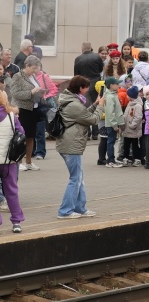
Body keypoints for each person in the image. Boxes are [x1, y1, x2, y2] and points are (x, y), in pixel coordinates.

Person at [56, 76, 100, 218]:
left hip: (69, 143)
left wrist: (95, 104)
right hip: (71, 144)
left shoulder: (69, 100)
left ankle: (80, 208)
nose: (87, 90)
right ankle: (65, 211)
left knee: (79, 178)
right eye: (86, 87)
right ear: (80, 88)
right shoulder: (74, 104)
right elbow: (92, 119)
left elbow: (83, 115)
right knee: (75, 179)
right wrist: (100, 106)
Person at [5, 56, 46, 171]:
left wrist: (41, 93)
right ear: (27, 66)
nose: (36, 71)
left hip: (33, 109)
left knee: (30, 136)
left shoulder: (33, 76)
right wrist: (31, 92)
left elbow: (36, 90)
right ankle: (19, 162)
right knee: (21, 137)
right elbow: (15, 93)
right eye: (34, 68)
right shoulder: (18, 76)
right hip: (21, 109)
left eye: (37, 68)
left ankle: (29, 162)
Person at [0, 89, 26, 233]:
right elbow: (21, 133)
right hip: (8, 160)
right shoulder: (11, 116)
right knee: (11, 191)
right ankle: (16, 221)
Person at [30, 63, 58, 160]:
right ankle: (31, 151)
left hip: (41, 105)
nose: (35, 69)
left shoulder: (44, 76)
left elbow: (54, 89)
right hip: (31, 105)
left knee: (40, 130)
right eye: (33, 66)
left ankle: (40, 152)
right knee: (31, 130)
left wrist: (45, 96)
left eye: (37, 67)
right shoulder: (28, 77)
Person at [102, 77, 125, 167]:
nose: (118, 85)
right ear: (111, 85)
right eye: (116, 84)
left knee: (111, 141)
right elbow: (110, 112)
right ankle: (110, 161)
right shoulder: (110, 97)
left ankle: (111, 159)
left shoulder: (112, 95)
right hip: (112, 123)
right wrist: (114, 124)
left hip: (113, 122)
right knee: (111, 142)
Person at [122, 86, 144, 166]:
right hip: (127, 128)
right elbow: (125, 114)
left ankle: (137, 159)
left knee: (135, 145)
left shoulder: (138, 106)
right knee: (126, 145)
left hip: (133, 129)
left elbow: (138, 117)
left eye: (127, 95)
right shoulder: (129, 104)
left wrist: (132, 125)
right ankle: (126, 158)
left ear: (131, 96)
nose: (127, 96)